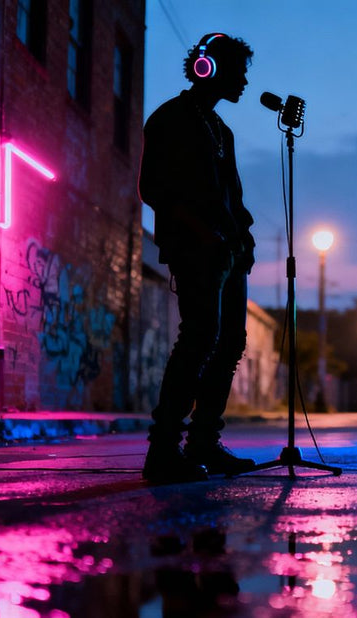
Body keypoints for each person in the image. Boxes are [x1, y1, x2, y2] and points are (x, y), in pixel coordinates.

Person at [138, 33, 258, 484]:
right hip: (196, 249)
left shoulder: (220, 129)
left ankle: (204, 442)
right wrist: (202, 235)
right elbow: (154, 190)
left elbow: (232, 198)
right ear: (209, 67)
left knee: (228, 345)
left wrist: (242, 242)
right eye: (239, 70)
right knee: (198, 341)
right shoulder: (171, 118)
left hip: (229, 254)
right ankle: (163, 450)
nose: (245, 80)